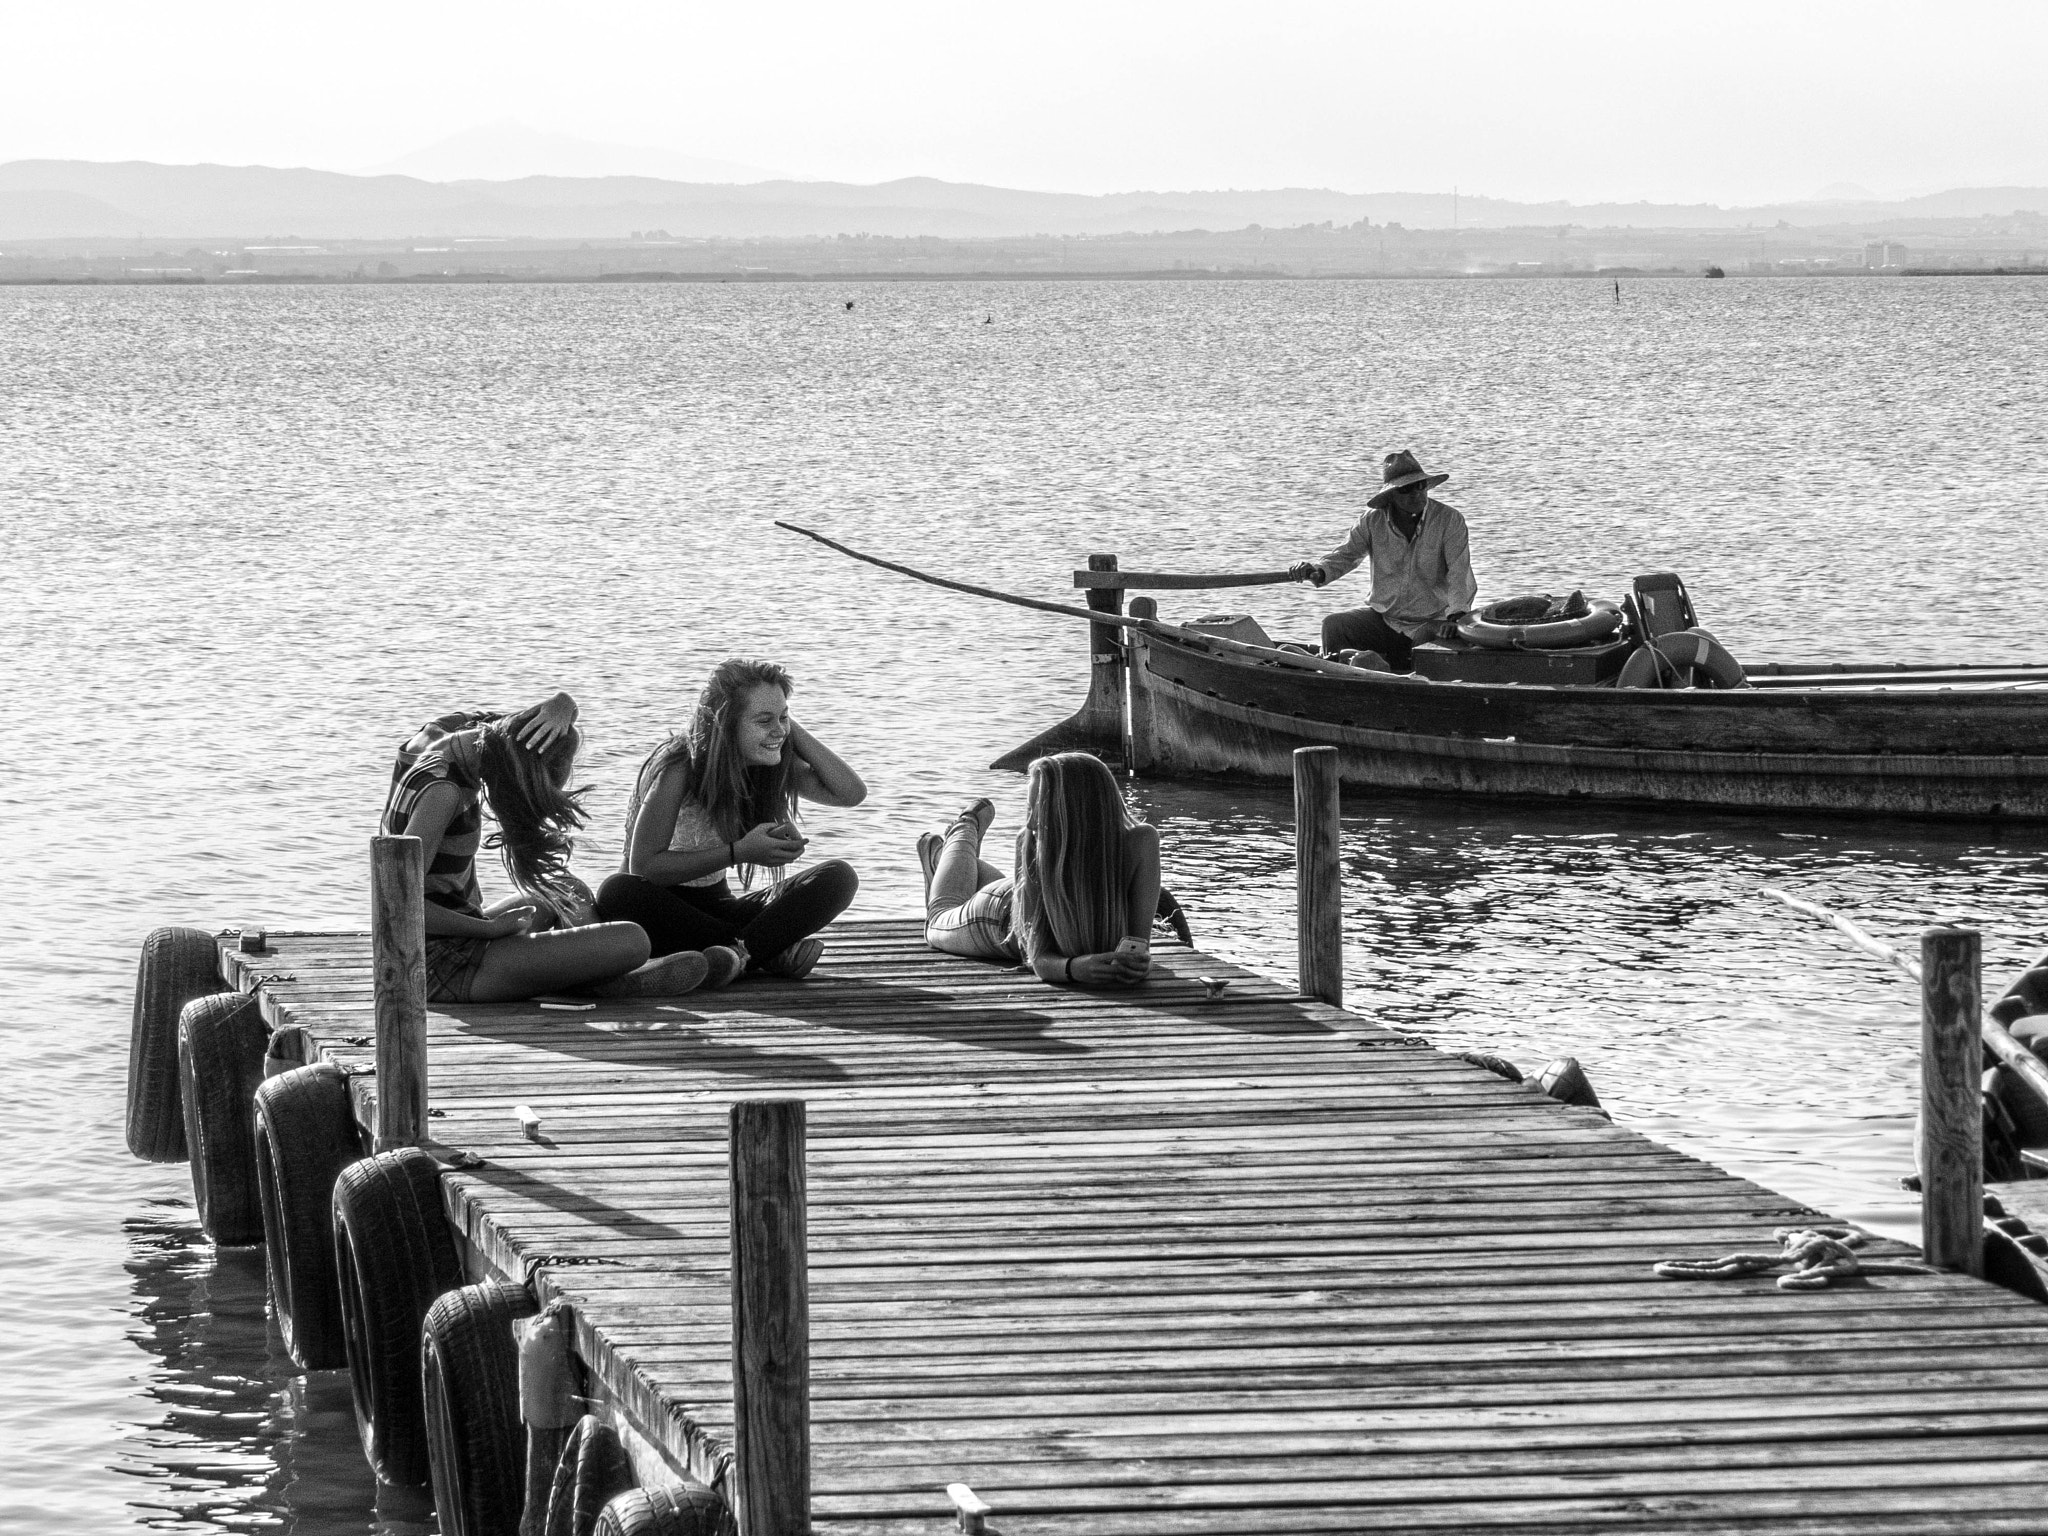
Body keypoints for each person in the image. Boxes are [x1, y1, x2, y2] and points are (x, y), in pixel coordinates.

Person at [382, 691, 719, 1003]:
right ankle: (600, 978)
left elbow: (521, 728)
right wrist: (488, 929)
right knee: (633, 941)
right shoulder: (443, 794)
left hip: (457, 935)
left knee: (566, 891)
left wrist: (563, 704)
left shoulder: (455, 737)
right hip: (433, 965)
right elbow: (399, 904)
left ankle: (593, 976)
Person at [596, 659, 865, 979]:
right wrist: (740, 852)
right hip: (659, 911)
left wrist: (785, 725)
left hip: (721, 908)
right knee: (616, 890)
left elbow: (850, 793)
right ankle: (761, 950)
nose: (777, 730)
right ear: (725, 723)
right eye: (763, 720)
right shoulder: (678, 767)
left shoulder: (767, 761)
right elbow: (644, 867)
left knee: (839, 876)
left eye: (783, 717)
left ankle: (736, 953)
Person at [919, 752, 1160, 988]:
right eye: (1029, 808)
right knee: (938, 918)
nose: (1030, 822)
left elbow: (1139, 945)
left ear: (1074, 810)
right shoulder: (1032, 841)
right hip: (998, 918)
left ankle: (948, 861)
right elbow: (1034, 956)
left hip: (1018, 891)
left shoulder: (1141, 842)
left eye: (1040, 809)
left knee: (963, 877)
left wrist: (1140, 964)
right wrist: (1073, 968)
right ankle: (964, 828)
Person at [1287, 448, 1478, 672]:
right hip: (1385, 618)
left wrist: (1457, 617)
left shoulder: (1449, 520)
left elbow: (1459, 571)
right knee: (1334, 625)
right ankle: (1339, 683)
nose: (1416, 493)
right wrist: (1318, 570)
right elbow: (1346, 555)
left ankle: (1405, 682)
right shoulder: (1371, 521)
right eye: (1406, 489)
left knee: (1429, 641)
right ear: (1391, 496)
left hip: (1431, 620)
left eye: (1420, 486)